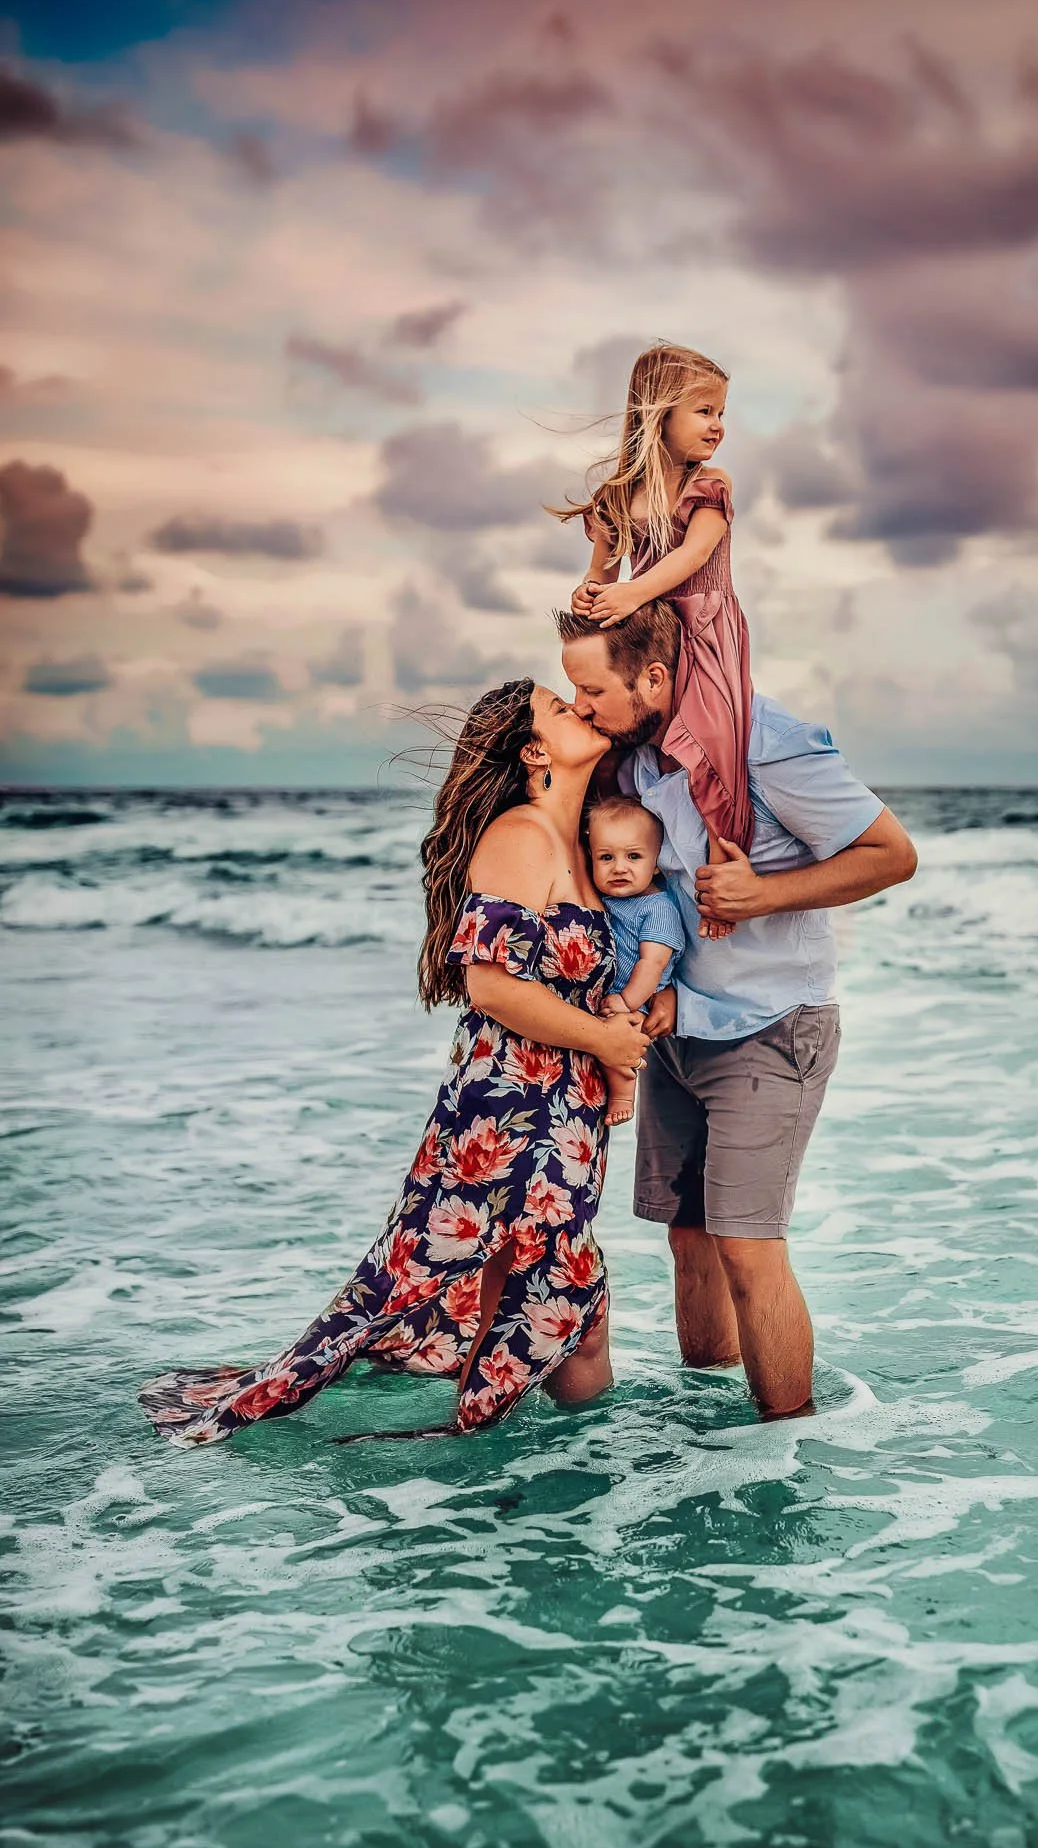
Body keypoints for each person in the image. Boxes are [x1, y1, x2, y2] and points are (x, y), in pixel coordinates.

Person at [138, 678, 648, 1449]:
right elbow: (488, 984)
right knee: (541, 1285)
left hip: (560, 1115)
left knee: (551, 1293)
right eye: (559, 706)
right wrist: (606, 1042)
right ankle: (486, 1452)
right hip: (510, 1111)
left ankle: (552, 1459)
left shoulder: (576, 843)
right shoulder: (521, 834)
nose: (580, 705)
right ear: (535, 750)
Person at [557, 600, 918, 1420]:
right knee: (688, 1240)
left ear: (654, 679)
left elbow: (893, 854)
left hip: (771, 1027)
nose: (581, 704)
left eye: (590, 690)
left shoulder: (769, 744)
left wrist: (762, 895)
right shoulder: (642, 760)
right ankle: (712, 1429)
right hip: (680, 1026)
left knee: (750, 1251)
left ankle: (786, 1448)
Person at [549, 341, 753, 885]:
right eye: (704, 411)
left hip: (705, 628)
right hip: (646, 636)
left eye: (721, 413)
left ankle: (722, 864)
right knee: (614, 735)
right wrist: (591, 595)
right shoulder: (619, 497)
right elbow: (601, 573)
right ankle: (612, 851)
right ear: (659, 414)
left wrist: (634, 593)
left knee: (714, 738)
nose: (717, 426)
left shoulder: (708, 485)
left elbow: (693, 555)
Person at [587, 794, 687, 1128]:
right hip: (614, 991)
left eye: (633, 856)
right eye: (606, 857)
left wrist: (627, 1001)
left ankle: (623, 1093)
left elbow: (652, 964)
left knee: (621, 1046)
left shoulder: (658, 909)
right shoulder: (606, 898)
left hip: (637, 997)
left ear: (656, 862)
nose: (619, 867)